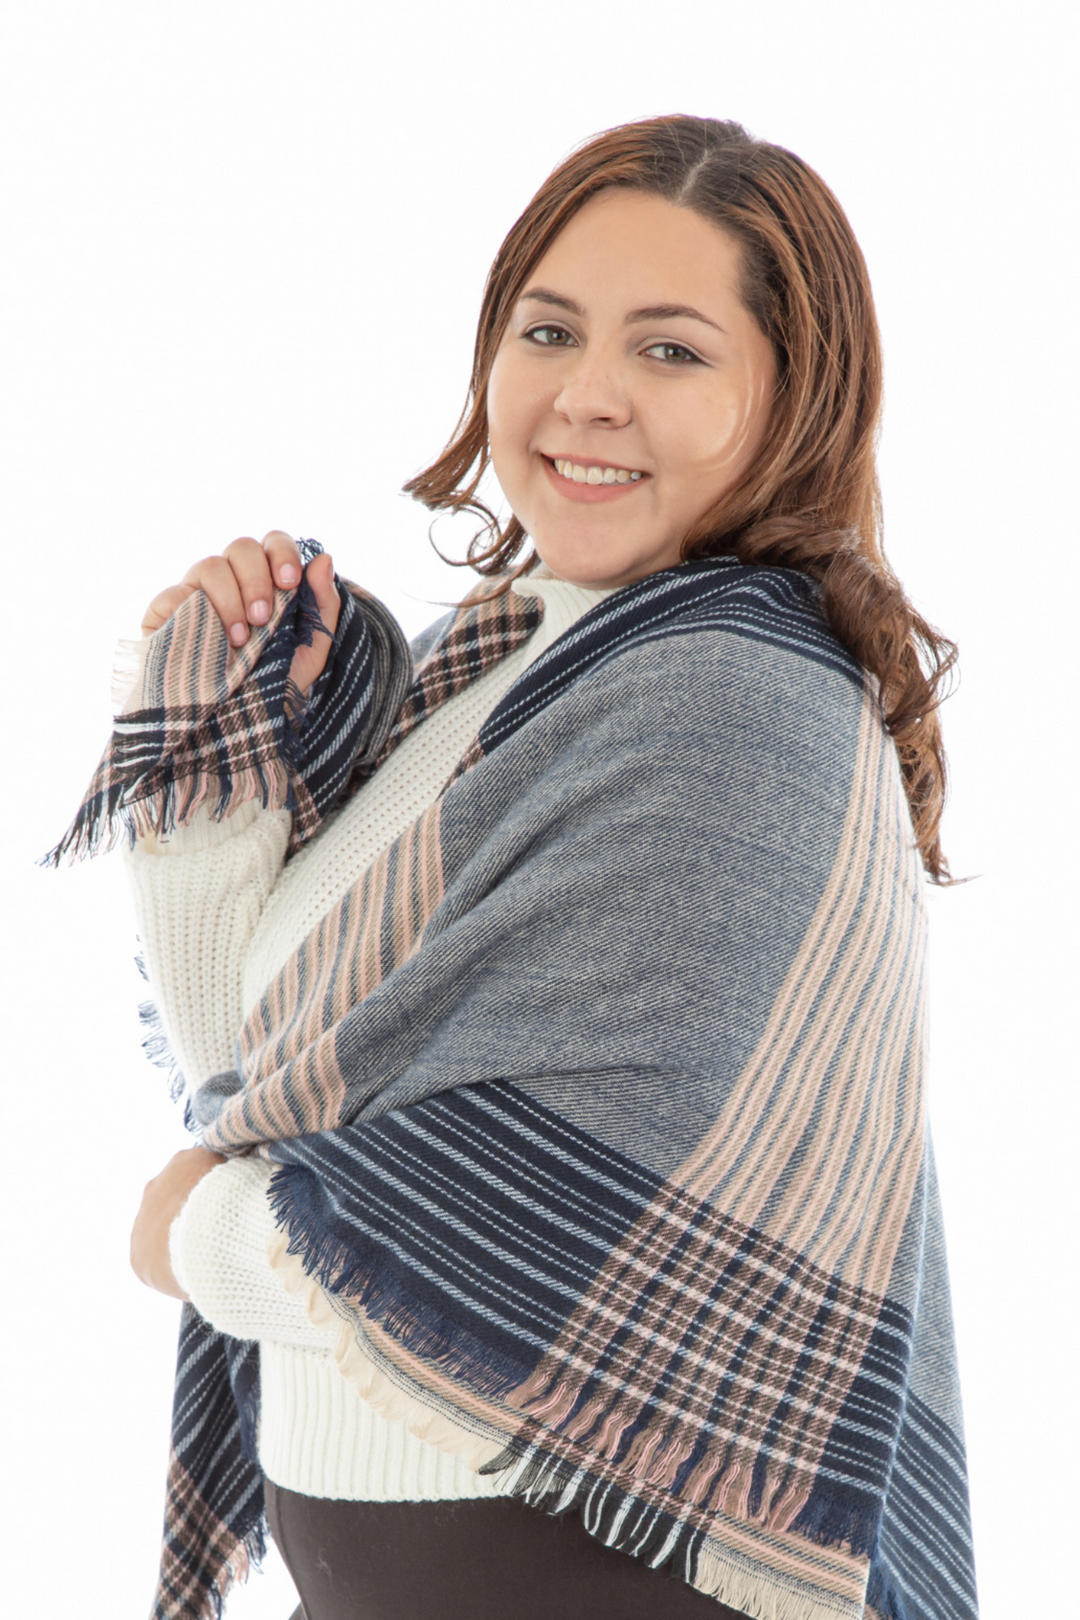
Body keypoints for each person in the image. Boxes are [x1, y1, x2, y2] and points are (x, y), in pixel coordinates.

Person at [59, 115, 977, 1620]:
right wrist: (217, 736)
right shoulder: (487, 668)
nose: (586, 394)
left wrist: (201, 1235)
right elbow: (258, 1070)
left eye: (671, 351)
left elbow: (568, 1247)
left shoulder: (740, 708)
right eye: (549, 331)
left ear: (791, 399)